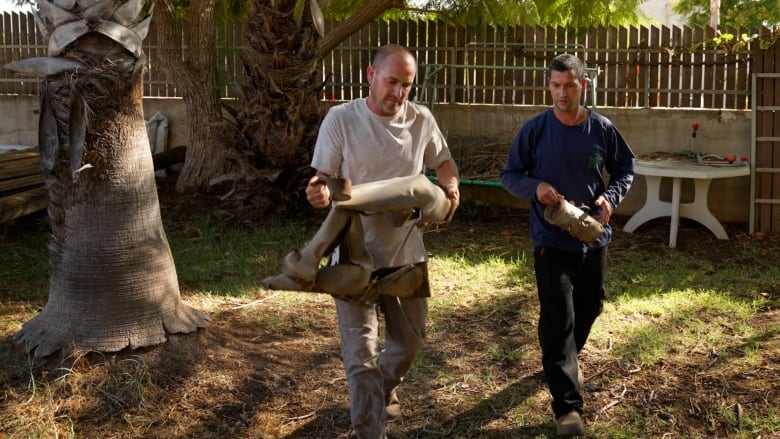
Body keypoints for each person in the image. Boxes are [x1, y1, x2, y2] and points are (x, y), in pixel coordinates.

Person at [305, 44, 459, 439]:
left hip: (405, 254)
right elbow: (324, 179)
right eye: (392, 82)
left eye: (406, 85)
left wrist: (450, 190)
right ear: (372, 76)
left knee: (409, 345)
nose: (398, 93)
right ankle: (369, 430)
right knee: (361, 359)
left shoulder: (421, 119)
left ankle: (384, 390)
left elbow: (444, 163)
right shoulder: (341, 118)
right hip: (352, 257)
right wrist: (319, 191)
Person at [499, 53, 635, 437]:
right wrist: (536, 187)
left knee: (591, 306)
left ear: (583, 85)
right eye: (555, 85)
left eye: (569, 85)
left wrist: (611, 198)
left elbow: (625, 167)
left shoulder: (602, 128)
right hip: (550, 238)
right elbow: (509, 174)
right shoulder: (536, 130)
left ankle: (561, 362)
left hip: (592, 237)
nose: (562, 93)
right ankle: (567, 408)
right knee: (558, 318)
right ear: (549, 86)